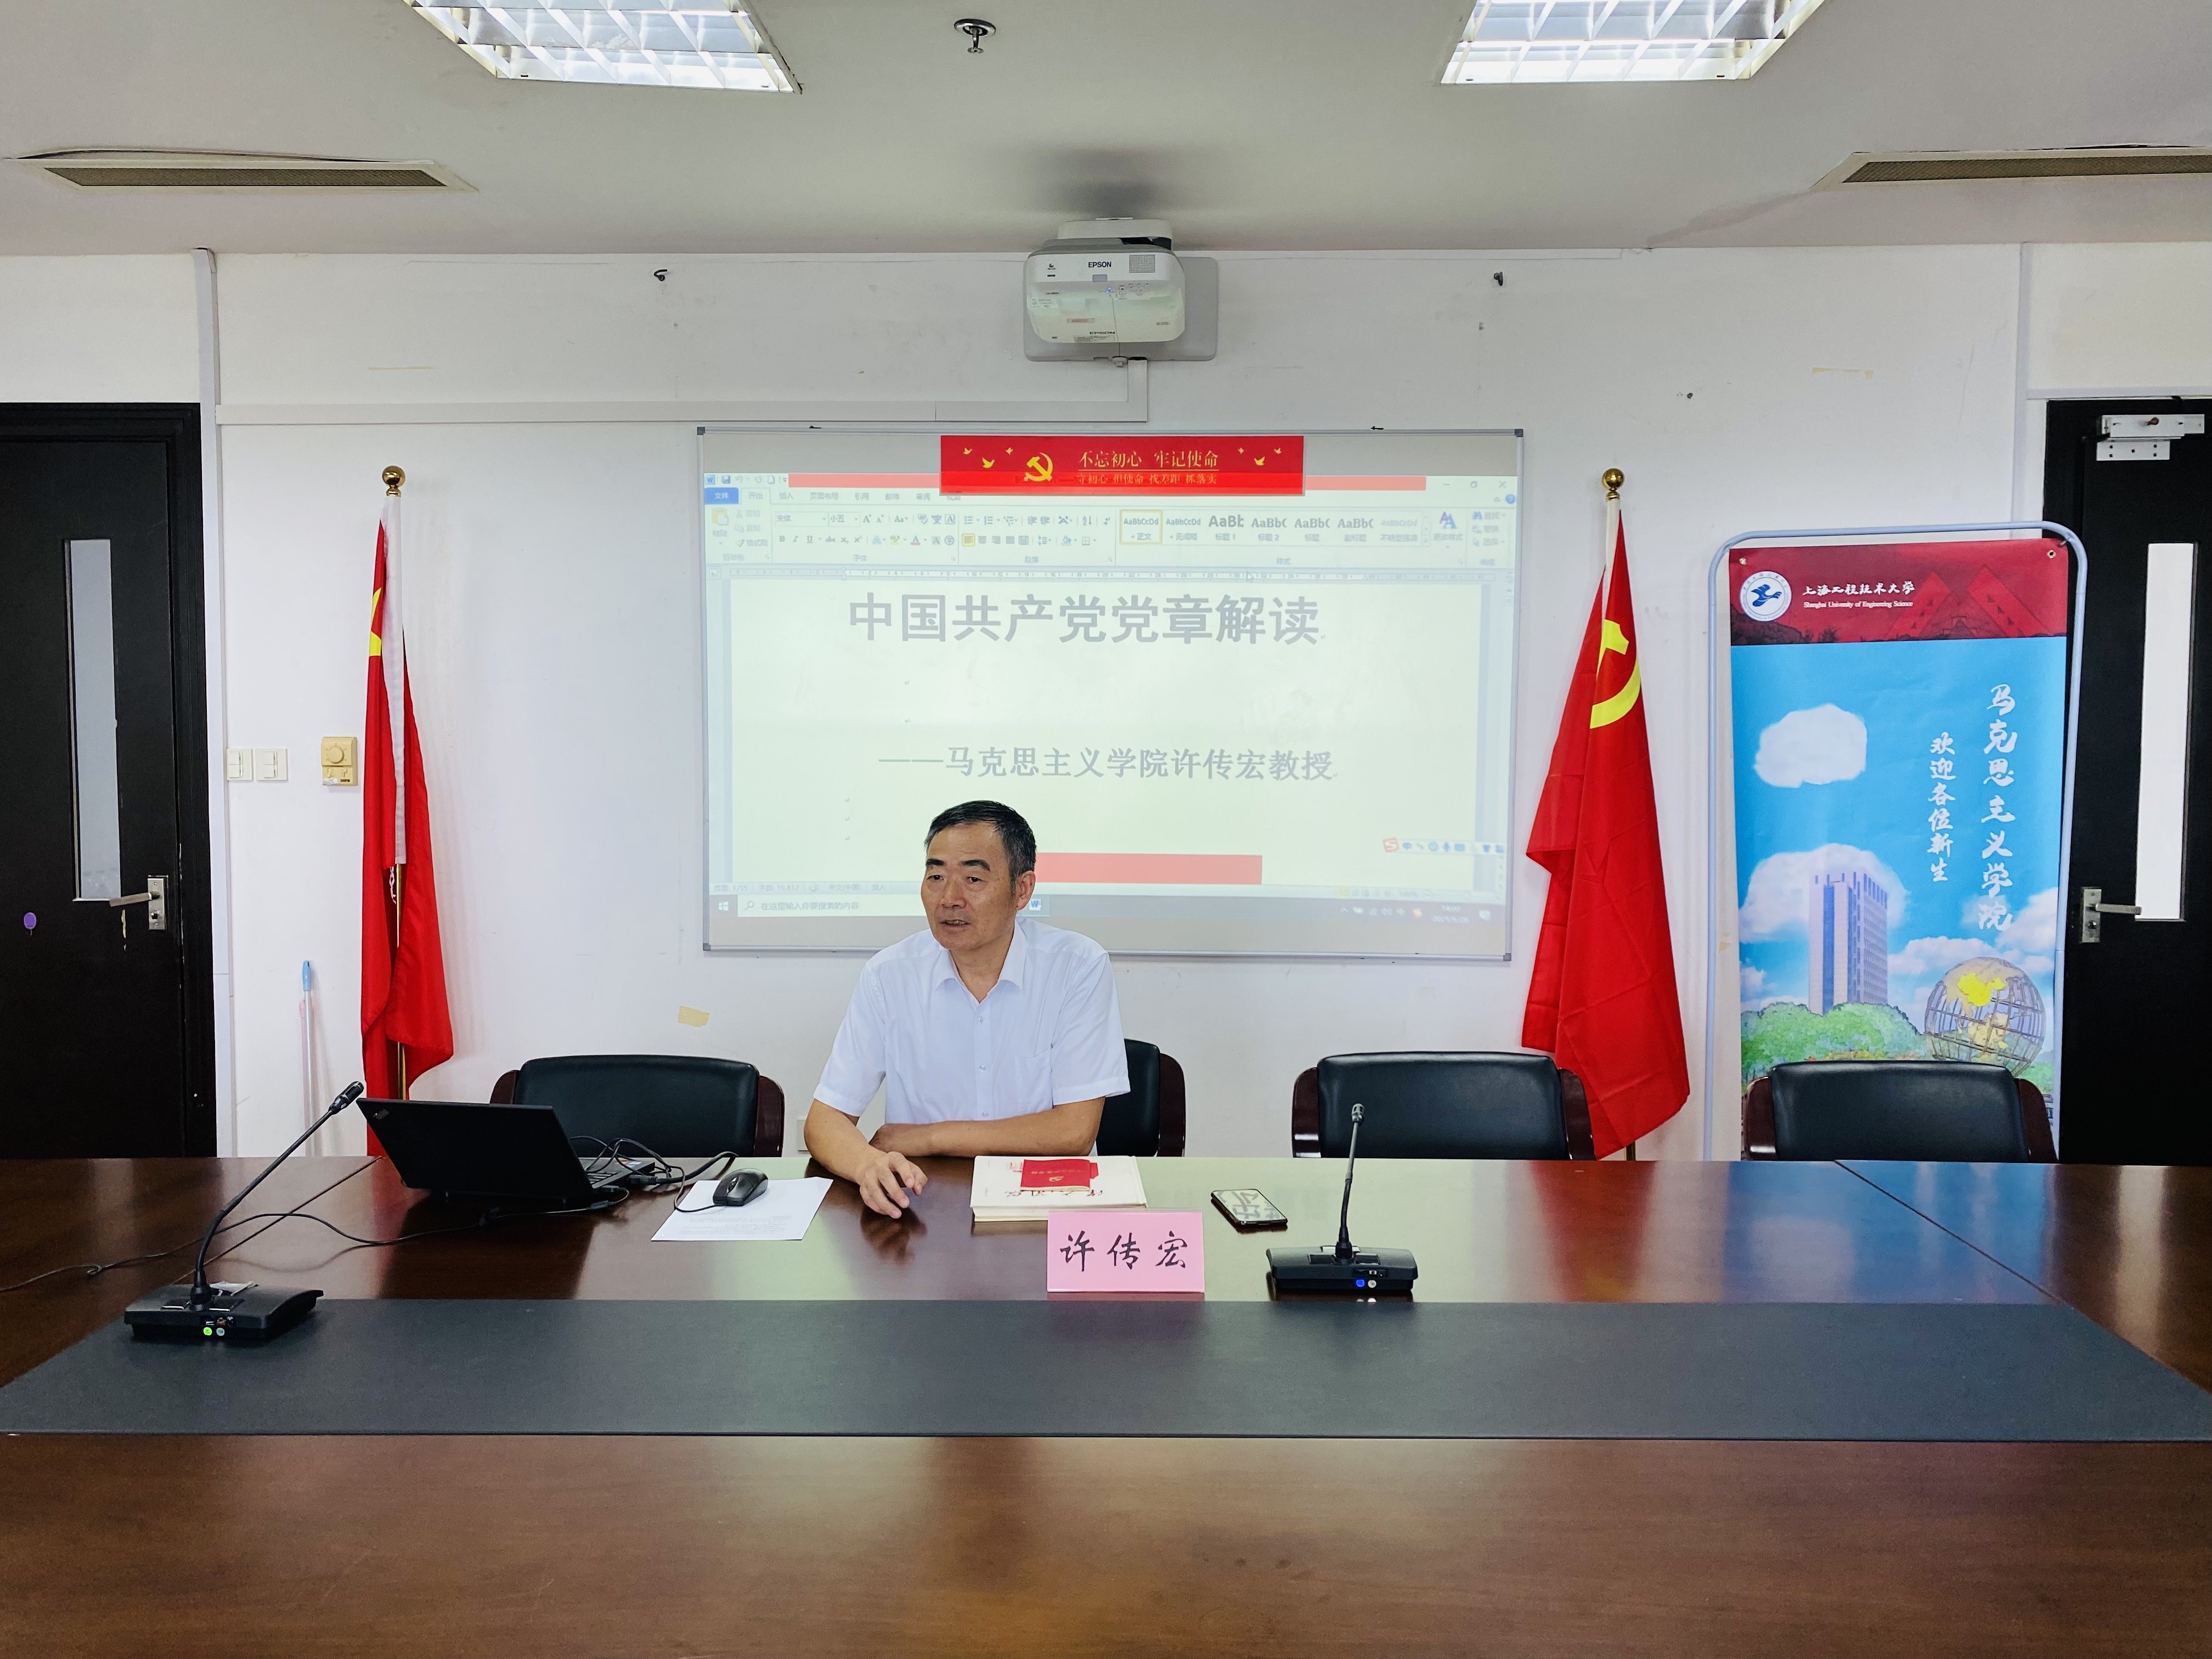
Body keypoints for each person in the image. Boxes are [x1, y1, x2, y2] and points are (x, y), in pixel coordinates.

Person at [805, 800, 1128, 1217]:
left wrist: (928, 1138)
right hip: (923, 1200)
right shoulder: (889, 975)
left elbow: (1073, 1132)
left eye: (973, 879)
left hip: (1048, 1199)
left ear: (1022, 890)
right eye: (936, 877)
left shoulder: (1076, 966)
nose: (949, 898)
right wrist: (867, 1165)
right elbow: (825, 1119)